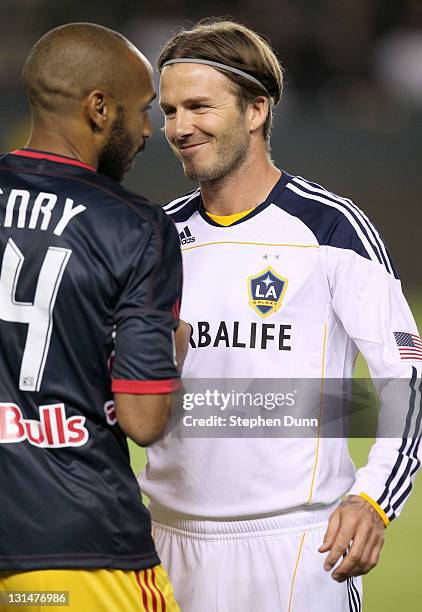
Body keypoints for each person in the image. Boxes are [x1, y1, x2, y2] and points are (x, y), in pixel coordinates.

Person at [139, 19, 422, 612]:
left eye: (198, 106)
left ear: (256, 110)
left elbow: (408, 378)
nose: (179, 127)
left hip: (295, 546)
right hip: (166, 546)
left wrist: (374, 499)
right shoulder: (153, 238)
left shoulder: (332, 228)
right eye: (168, 110)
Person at [0, 23, 181, 611]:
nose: (150, 129)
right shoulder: (134, 226)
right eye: (143, 109)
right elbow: (144, 419)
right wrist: (171, 354)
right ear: (99, 109)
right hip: (77, 550)